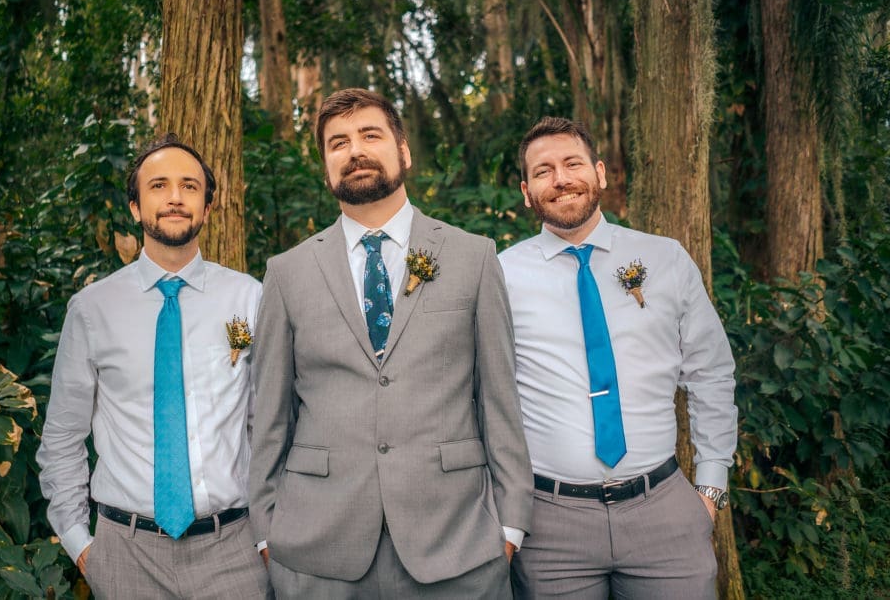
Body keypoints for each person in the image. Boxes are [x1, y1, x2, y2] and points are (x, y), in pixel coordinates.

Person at [249, 88, 532, 599]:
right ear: (326, 166)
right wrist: (268, 531)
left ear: (403, 151)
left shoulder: (474, 257)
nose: (354, 150)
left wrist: (509, 527)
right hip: (317, 552)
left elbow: (500, 401)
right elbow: (269, 414)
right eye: (338, 143)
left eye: (370, 135)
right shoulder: (286, 273)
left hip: (458, 544)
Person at [498, 116, 737, 600]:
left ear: (600, 173)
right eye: (543, 171)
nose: (560, 179)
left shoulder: (665, 259)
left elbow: (711, 372)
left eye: (572, 163)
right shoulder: (500, 275)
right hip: (549, 524)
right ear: (527, 192)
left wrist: (711, 489)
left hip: (664, 512)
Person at [36, 134, 271, 599]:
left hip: (234, 552)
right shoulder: (92, 309)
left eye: (189, 186)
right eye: (159, 186)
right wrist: (82, 545)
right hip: (126, 554)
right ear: (135, 208)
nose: (175, 198)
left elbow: (268, 427)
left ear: (208, 206)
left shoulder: (249, 298)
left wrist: (267, 537)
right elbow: (62, 437)